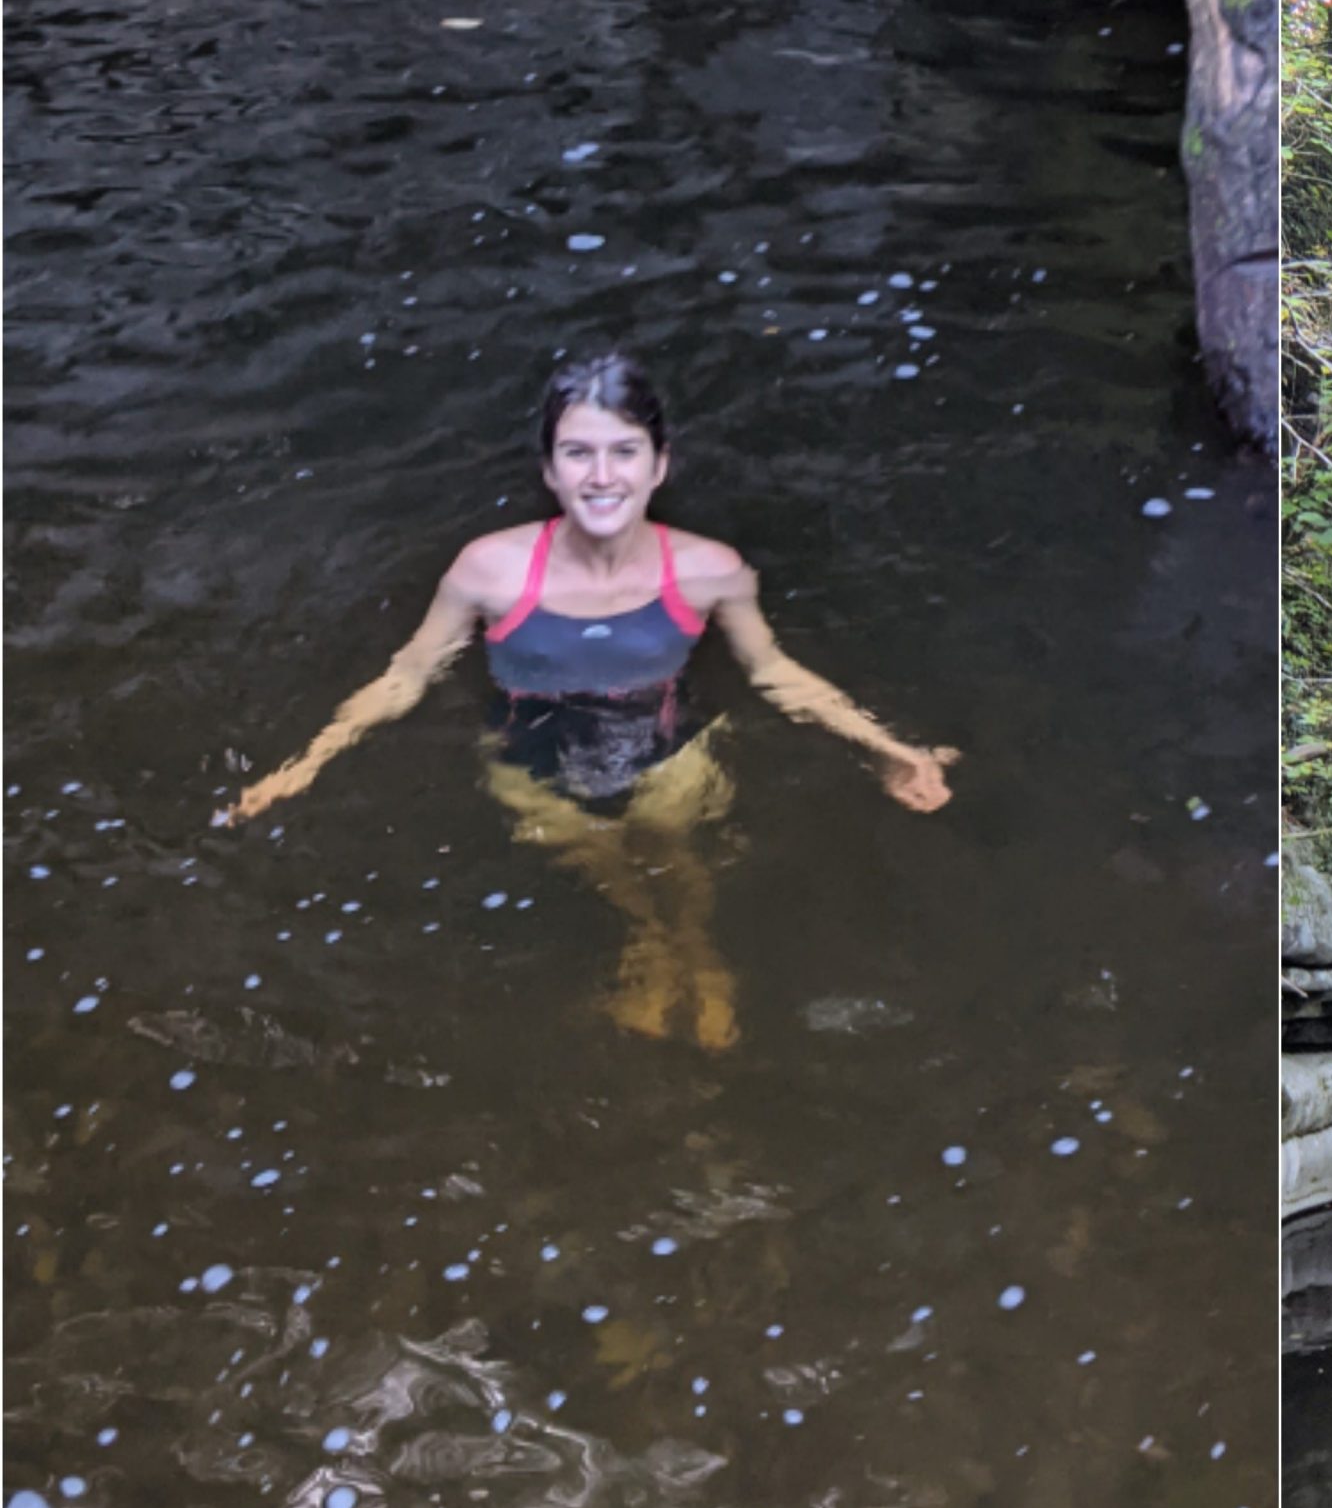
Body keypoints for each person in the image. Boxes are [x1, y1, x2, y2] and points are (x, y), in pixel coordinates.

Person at [219, 353, 957, 1050]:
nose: (602, 475)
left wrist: (891, 750)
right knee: (590, 852)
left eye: (624, 451)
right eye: (578, 453)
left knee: (675, 843)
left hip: (666, 737)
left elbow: (773, 673)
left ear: (659, 465)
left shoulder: (709, 571)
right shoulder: (489, 569)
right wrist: (306, 763)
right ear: (550, 470)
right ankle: (647, 939)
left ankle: (695, 952)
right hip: (526, 741)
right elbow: (408, 675)